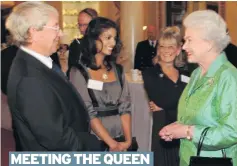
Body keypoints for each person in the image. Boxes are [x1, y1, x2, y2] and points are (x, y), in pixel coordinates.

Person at [6, 2, 101, 151]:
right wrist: (93, 146)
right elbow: (57, 139)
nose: (61, 33)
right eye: (56, 27)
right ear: (33, 33)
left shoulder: (37, 61)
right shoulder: (30, 80)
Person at [159, 10, 237, 166]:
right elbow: (194, 116)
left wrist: (187, 131)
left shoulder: (229, 78)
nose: (184, 46)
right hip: (189, 158)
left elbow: (232, 132)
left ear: (208, 43)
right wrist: (176, 128)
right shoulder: (196, 73)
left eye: (189, 40)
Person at [70, 17, 133, 151]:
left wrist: (127, 140)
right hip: (94, 140)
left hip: (120, 138)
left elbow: (125, 107)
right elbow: (88, 112)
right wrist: (111, 143)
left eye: (115, 38)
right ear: (94, 39)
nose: (113, 42)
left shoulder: (118, 70)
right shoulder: (78, 72)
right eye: (108, 37)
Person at [142, 26, 189, 166]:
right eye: (162, 46)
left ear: (178, 50)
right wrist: (182, 104)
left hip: (184, 134)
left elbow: (192, 100)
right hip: (163, 132)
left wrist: (168, 107)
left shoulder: (185, 74)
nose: (166, 50)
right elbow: (163, 100)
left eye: (171, 46)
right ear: (158, 49)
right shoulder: (150, 74)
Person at [68, 8, 98, 75]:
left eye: (85, 25)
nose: (81, 29)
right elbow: (72, 72)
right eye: (80, 25)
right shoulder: (76, 45)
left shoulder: (104, 44)